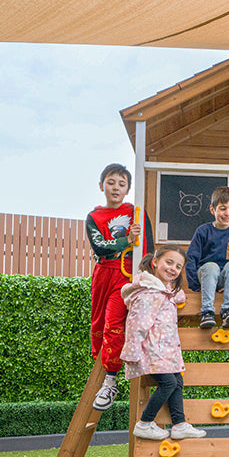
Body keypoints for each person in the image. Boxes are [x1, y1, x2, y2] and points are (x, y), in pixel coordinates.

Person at [120, 244, 206, 440]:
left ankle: (179, 424)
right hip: (153, 350)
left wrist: (175, 294)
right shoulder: (148, 293)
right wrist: (132, 352)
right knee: (168, 383)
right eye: (169, 262)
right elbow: (137, 324)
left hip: (165, 350)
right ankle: (144, 423)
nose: (173, 269)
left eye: (178, 266)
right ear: (155, 261)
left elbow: (175, 296)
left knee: (177, 381)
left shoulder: (162, 291)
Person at [86, 163, 154, 410]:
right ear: (102, 184)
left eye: (121, 184)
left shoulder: (136, 213)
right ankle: (103, 372)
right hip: (103, 273)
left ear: (128, 189)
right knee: (98, 324)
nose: (116, 187)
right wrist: (127, 238)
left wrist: (146, 277)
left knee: (114, 323)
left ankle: (111, 380)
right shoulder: (93, 217)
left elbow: (149, 248)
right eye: (111, 182)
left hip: (126, 275)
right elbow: (100, 247)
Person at [185, 186, 229, 329]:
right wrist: (196, 285)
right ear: (213, 210)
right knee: (211, 266)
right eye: (222, 208)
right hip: (206, 276)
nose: (227, 213)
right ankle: (207, 312)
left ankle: (228, 310)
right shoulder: (203, 231)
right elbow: (190, 258)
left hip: (226, 279)